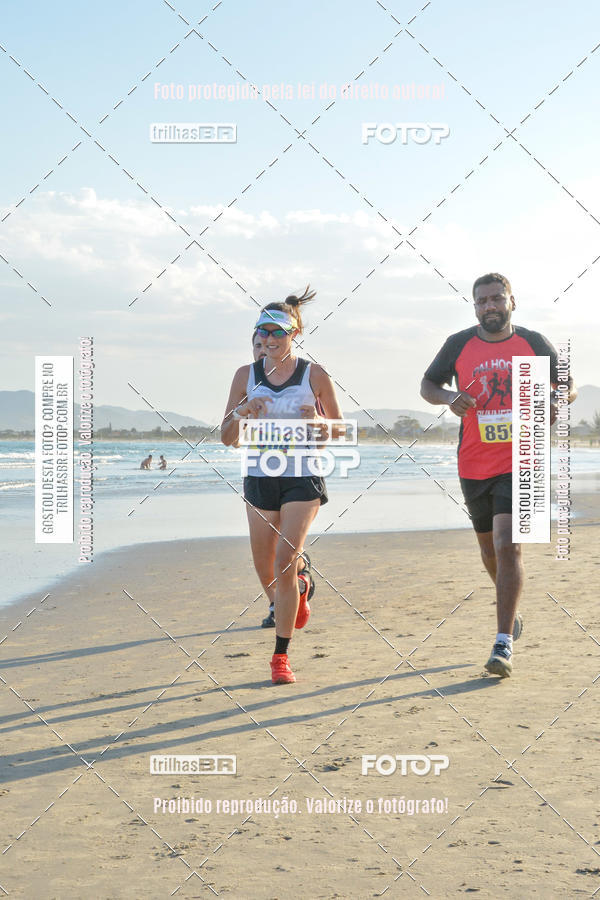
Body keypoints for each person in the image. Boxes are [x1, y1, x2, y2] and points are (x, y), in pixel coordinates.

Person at [420, 273, 576, 677]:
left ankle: (502, 643)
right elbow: (428, 384)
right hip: (473, 461)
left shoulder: (532, 342)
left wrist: (556, 398)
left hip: (525, 457)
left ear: (511, 301)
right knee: (490, 551)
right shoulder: (458, 344)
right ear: (474, 307)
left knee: (510, 546)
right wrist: (449, 396)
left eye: (495, 299)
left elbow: (567, 384)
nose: (489, 306)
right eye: (481, 302)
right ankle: (511, 607)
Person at [221, 287, 343, 684]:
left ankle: (280, 657)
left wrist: (319, 424)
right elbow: (226, 436)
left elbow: (338, 430)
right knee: (266, 566)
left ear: (295, 333)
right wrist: (242, 412)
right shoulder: (245, 376)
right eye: (263, 332)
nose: (270, 339)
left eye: (278, 332)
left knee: (283, 561)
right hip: (259, 477)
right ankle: (296, 590)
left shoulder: (315, 375)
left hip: (301, 477)